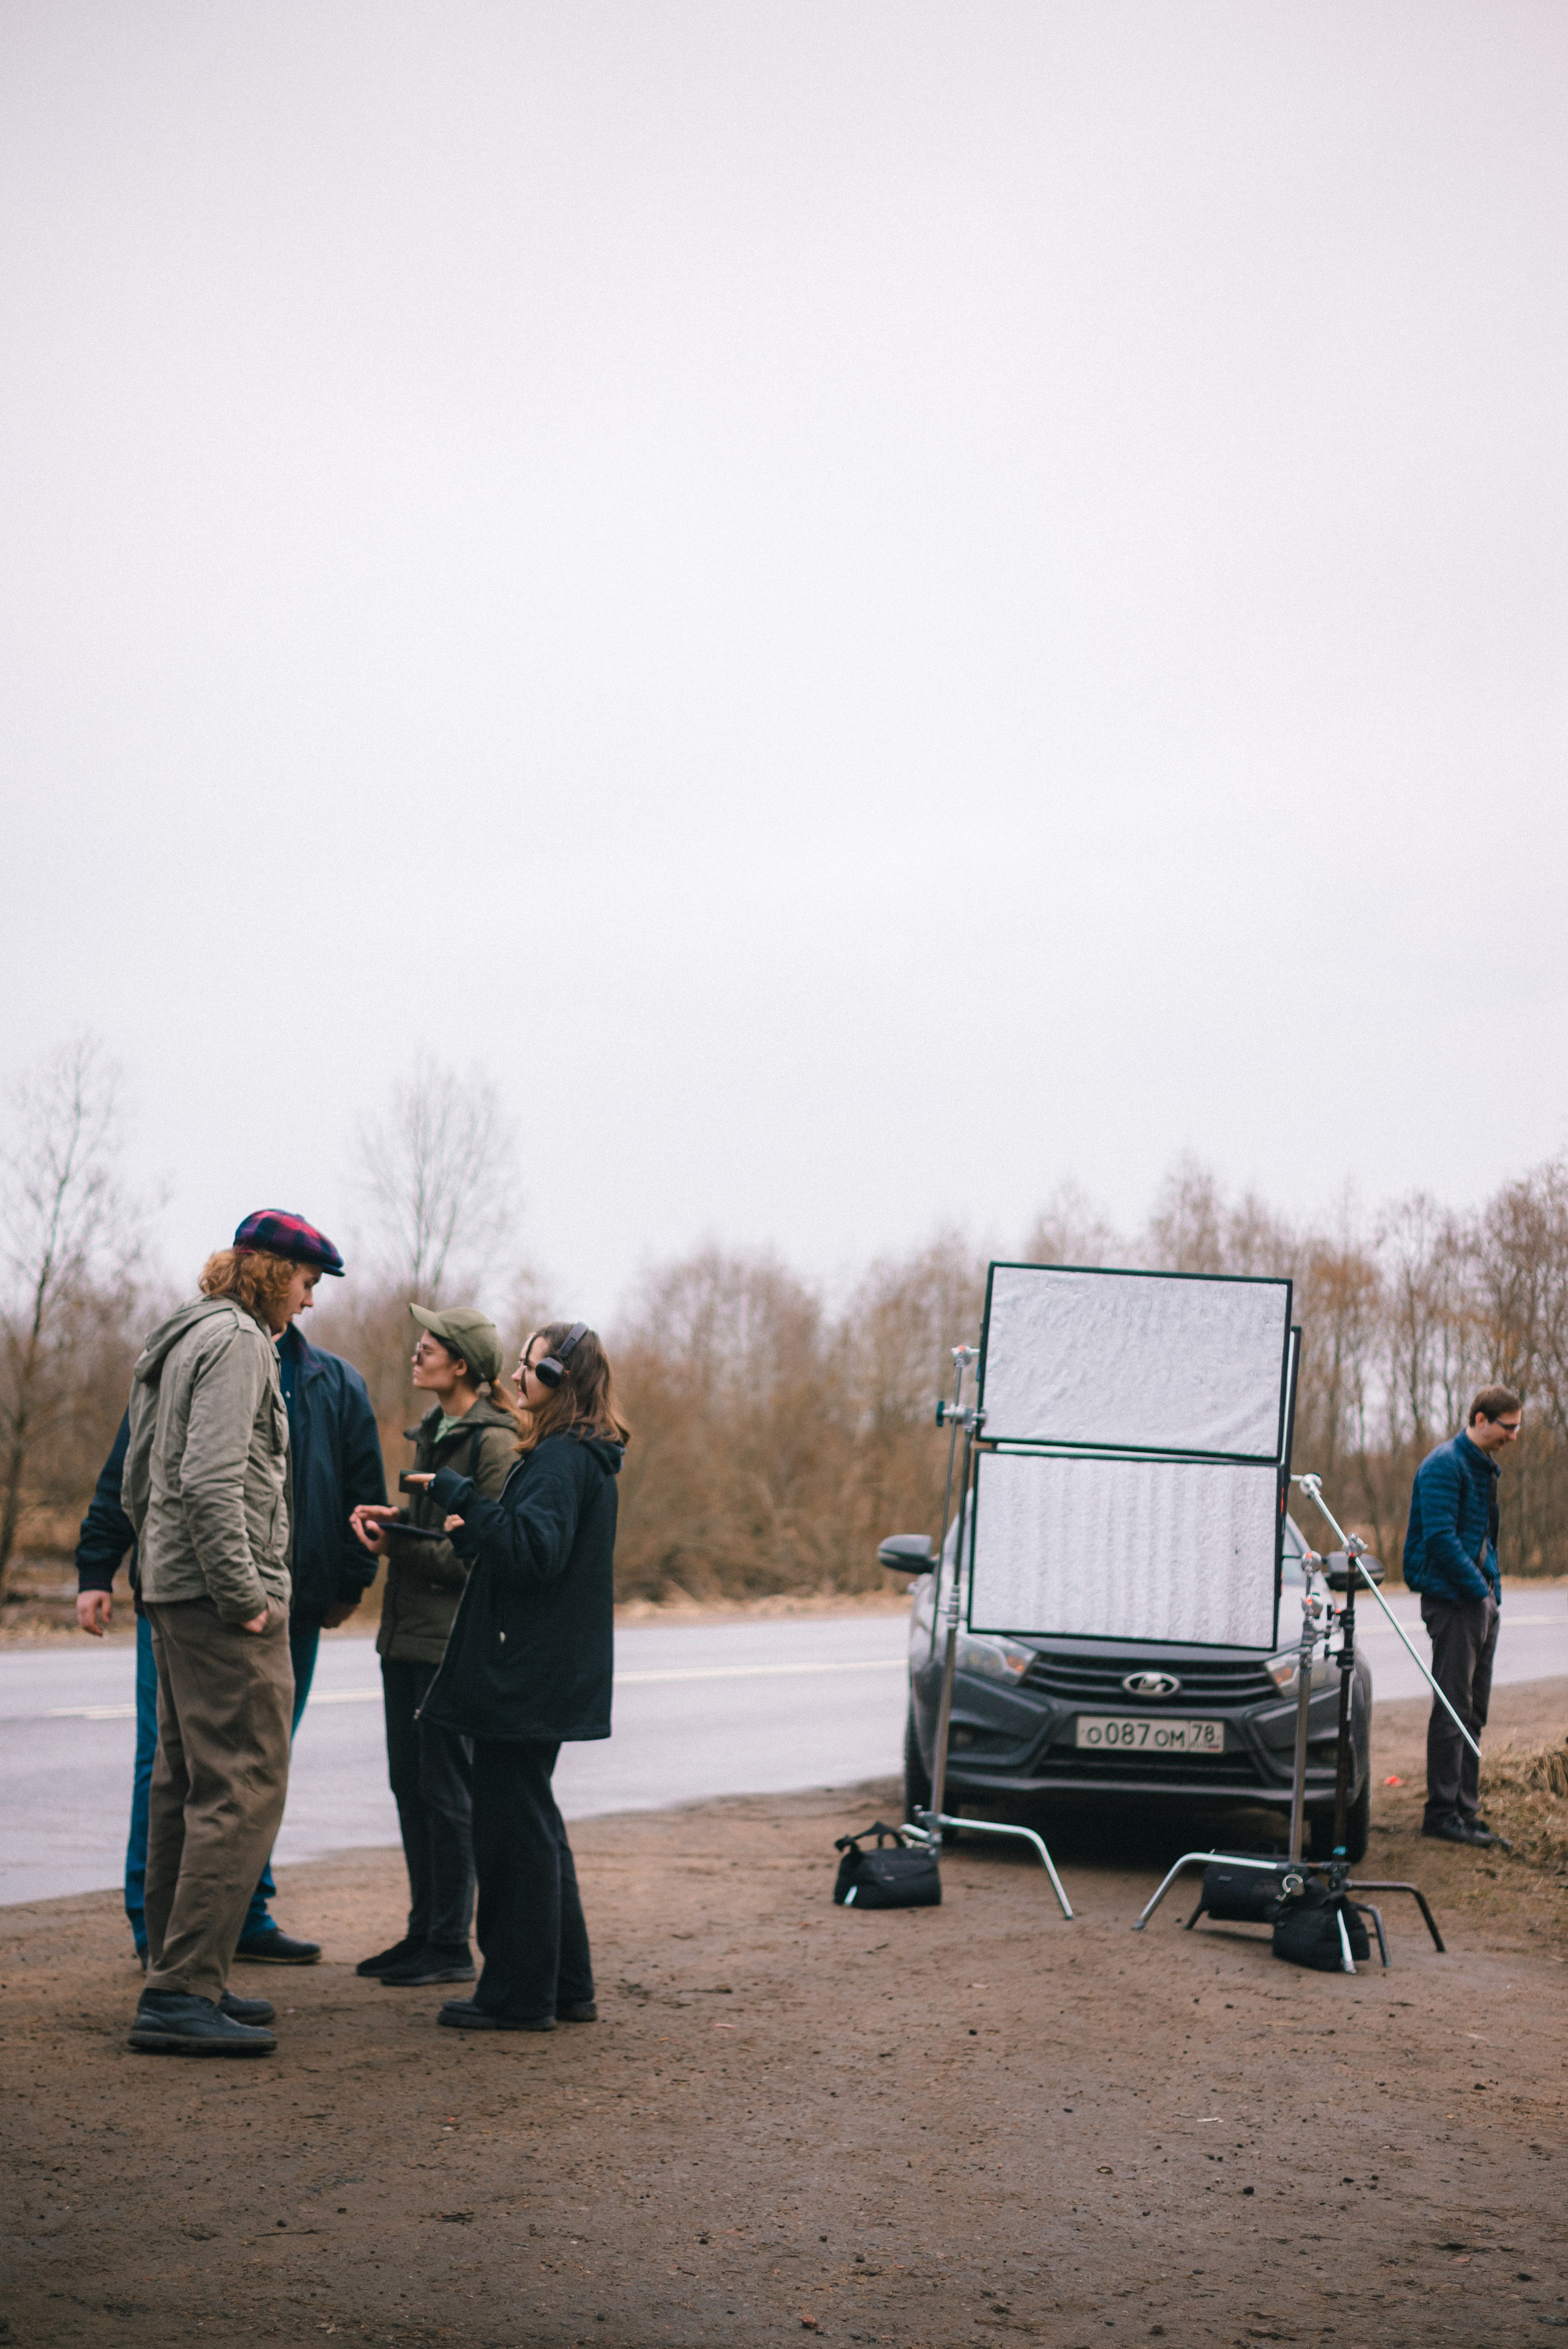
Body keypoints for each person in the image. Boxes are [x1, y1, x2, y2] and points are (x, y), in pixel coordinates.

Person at [76, 1210, 386, 1969]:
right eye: (307, 1281)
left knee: (188, 1779)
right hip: (229, 1603)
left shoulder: (185, 1336)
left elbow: (149, 1474)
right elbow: (203, 1482)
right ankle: (184, 1980)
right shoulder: (240, 1344)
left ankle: (183, 1960)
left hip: (198, 1591)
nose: (310, 1299)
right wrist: (243, 1595)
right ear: (275, 1273)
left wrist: (157, 1568)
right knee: (237, 1784)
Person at [414, 1321, 626, 2033]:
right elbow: (531, 1549)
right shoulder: (576, 1453)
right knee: (535, 1826)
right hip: (542, 1671)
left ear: (561, 1378)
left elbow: (534, 1552)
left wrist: (462, 1497)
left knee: (512, 1836)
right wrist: (466, 1528)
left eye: (530, 1365)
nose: (515, 1375)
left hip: (526, 1677)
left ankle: (517, 1994)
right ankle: (565, 1986)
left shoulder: (563, 1456)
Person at [347, 1305, 518, 1988]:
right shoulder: (435, 1431)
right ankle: (423, 1931)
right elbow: (436, 1526)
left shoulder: (494, 1442)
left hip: (448, 1643)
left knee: (447, 1794)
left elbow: (482, 1551)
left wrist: (398, 1545)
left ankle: (450, 1942)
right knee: (410, 1786)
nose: (416, 1353)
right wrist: (399, 1520)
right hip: (405, 1638)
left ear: (463, 1364)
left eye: (430, 1347)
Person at [1402, 1382, 1523, 1847]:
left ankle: (1466, 1811)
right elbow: (1439, 1539)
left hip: (1478, 1602)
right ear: (1480, 1420)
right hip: (1453, 1604)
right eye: (1507, 1427)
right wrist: (1478, 1593)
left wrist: (1493, 1594)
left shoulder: (1482, 1466)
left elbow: (1485, 1539)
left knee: (1474, 1711)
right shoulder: (1444, 1465)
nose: (1513, 1436)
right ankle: (1441, 1813)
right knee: (1453, 1710)